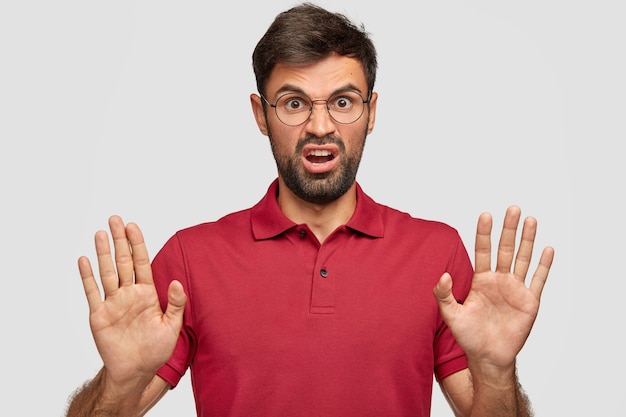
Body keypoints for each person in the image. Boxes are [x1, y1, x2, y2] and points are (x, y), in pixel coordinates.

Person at [66, 3, 554, 416]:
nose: (320, 126)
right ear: (261, 115)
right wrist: (120, 384)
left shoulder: (437, 254)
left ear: (372, 111)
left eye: (342, 101)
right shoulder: (191, 258)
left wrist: (495, 372)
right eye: (294, 103)